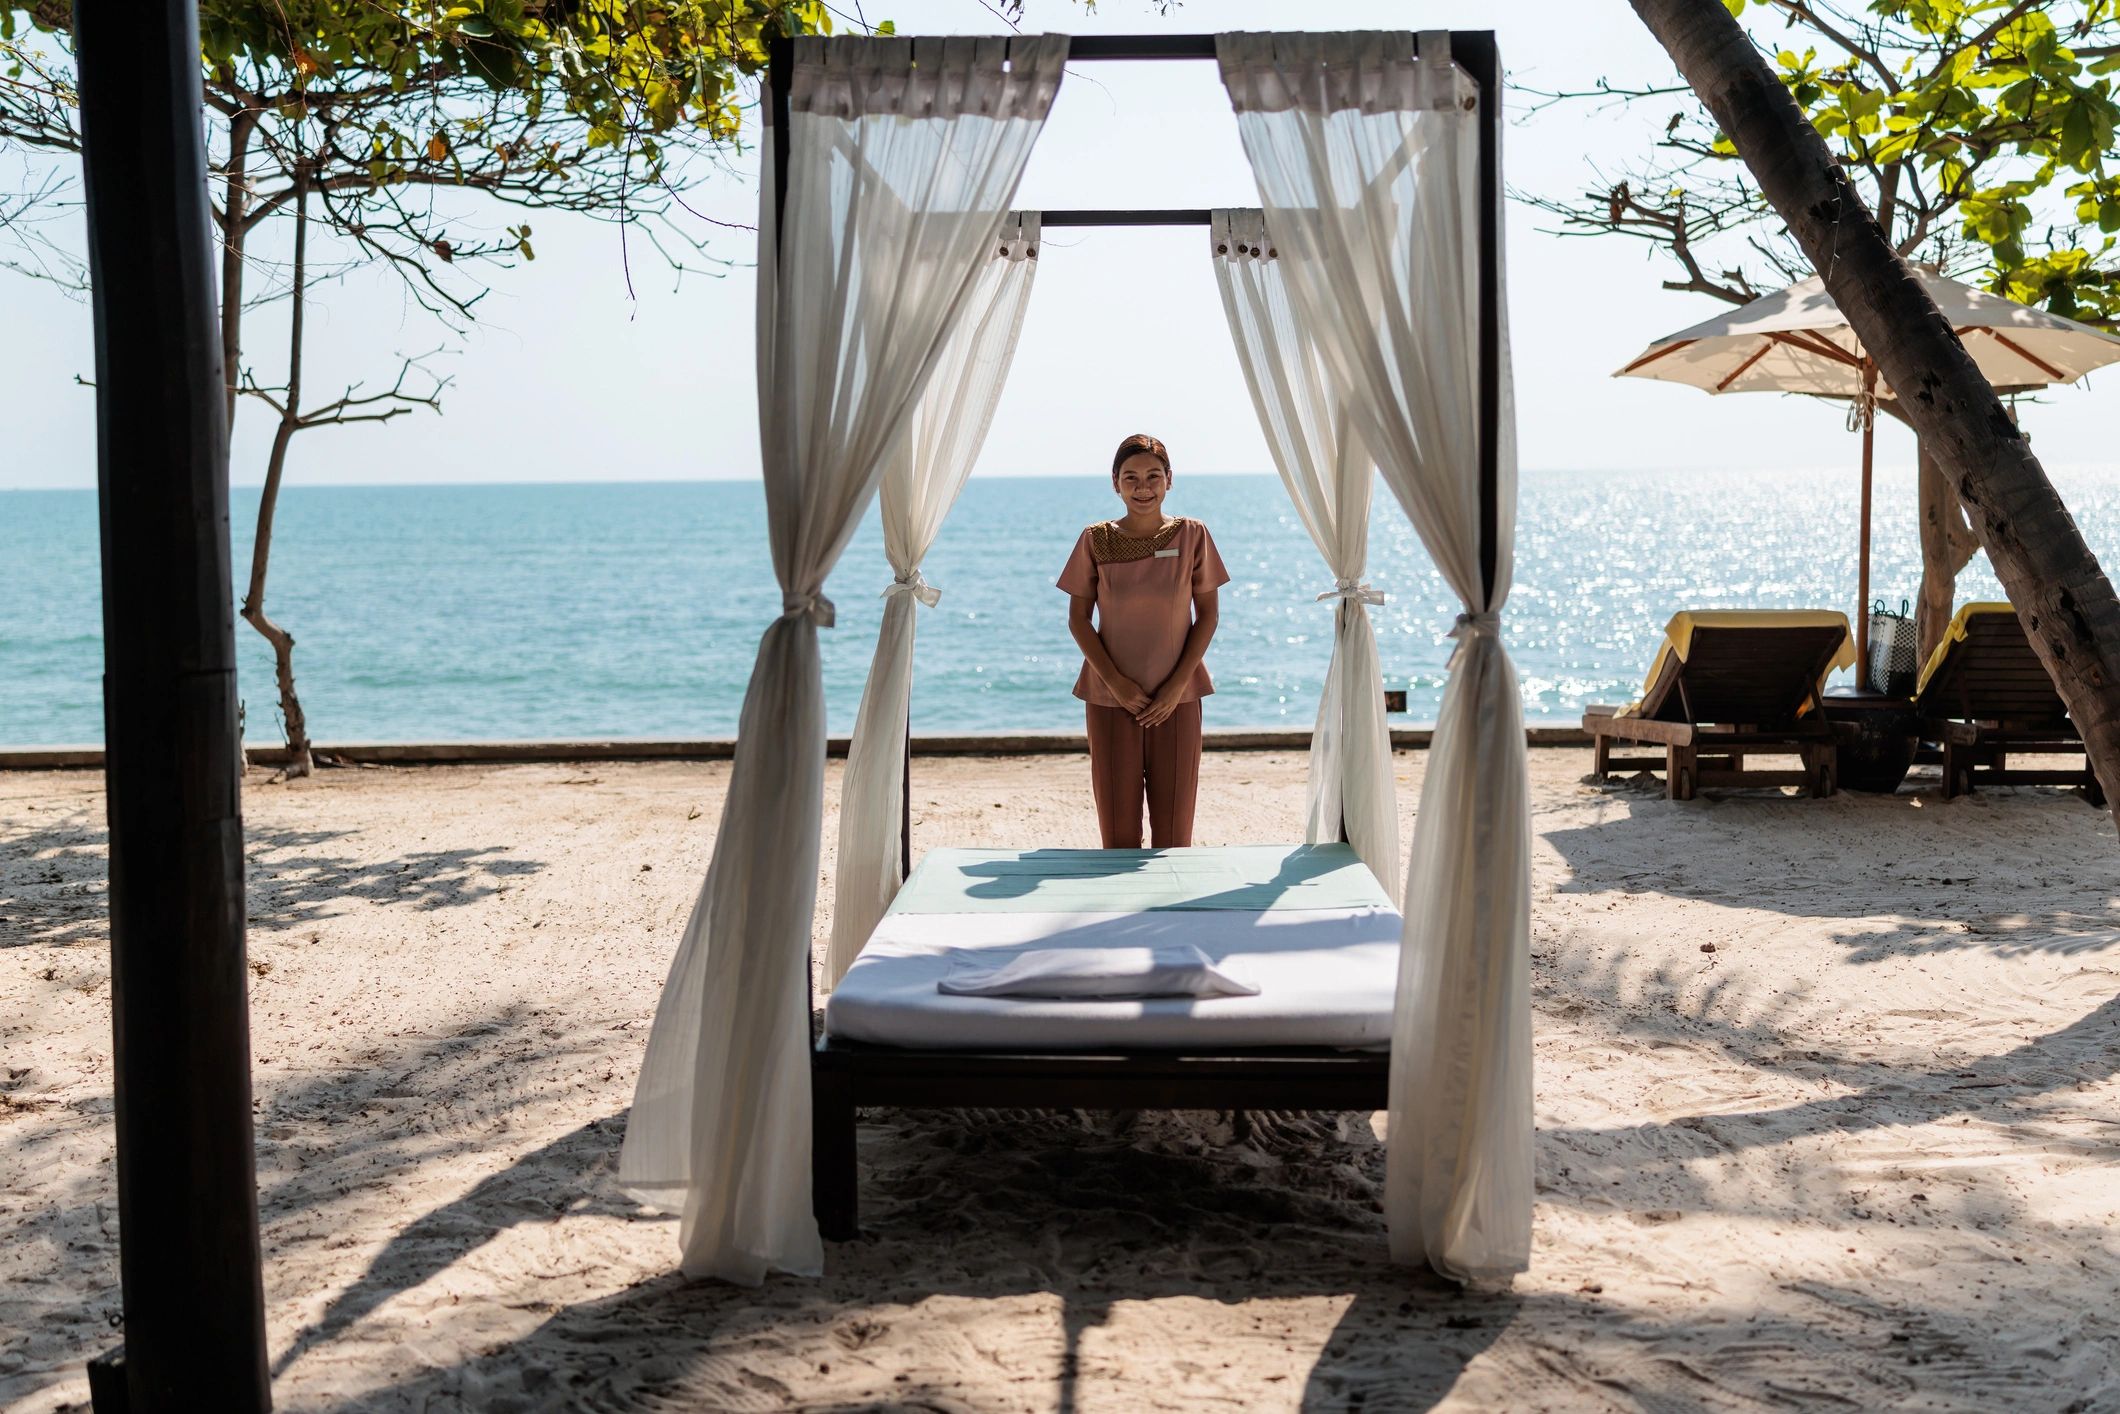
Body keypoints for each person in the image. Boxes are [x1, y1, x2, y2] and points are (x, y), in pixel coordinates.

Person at [1057, 433, 1230, 849]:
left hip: (1178, 697)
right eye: (1130, 477)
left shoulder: (1193, 535)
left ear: (1169, 479)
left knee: (1174, 837)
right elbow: (1078, 619)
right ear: (1115, 482)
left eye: (1153, 476)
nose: (1143, 487)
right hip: (1110, 698)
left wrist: (1175, 688)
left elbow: (1208, 616)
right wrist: (1117, 684)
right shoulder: (1095, 539)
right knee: (1118, 836)